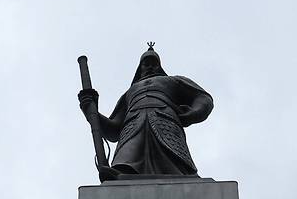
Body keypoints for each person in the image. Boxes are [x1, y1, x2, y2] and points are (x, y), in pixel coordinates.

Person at [78, 45, 213, 179]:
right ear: (140, 68)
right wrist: (91, 112)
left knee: (172, 155)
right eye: (146, 64)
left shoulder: (173, 81)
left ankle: (181, 174)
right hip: (132, 124)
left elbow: (202, 98)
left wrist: (195, 112)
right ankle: (123, 172)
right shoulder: (129, 93)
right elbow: (113, 129)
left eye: (154, 64)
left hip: (164, 118)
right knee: (126, 157)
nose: (150, 67)